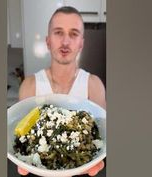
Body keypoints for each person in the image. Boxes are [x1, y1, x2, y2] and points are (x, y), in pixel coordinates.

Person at [17, 6, 106, 177]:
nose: (65, 42)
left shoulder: (94, 86)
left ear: (81, 43)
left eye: (74, 34)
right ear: (48, 40)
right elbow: (23, 141)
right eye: (58, 32)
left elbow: (103, 141)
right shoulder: (29, 86)